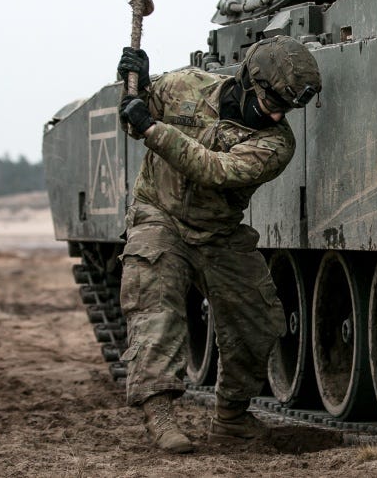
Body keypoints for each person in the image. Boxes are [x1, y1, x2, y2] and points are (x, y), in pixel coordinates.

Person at [116, 36, 322, 453]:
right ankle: (160, 415)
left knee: (258, 320)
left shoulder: (277, 144)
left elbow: (215, 170)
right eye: (271, 103)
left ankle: (231, 418)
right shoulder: (184, 86)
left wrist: (152, 129)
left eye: (287, 108)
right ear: (248, 81)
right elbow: (131, 117)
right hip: (160, 214)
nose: (279, 114)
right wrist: (131, 84)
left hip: (218, 232)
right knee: (156, 307)